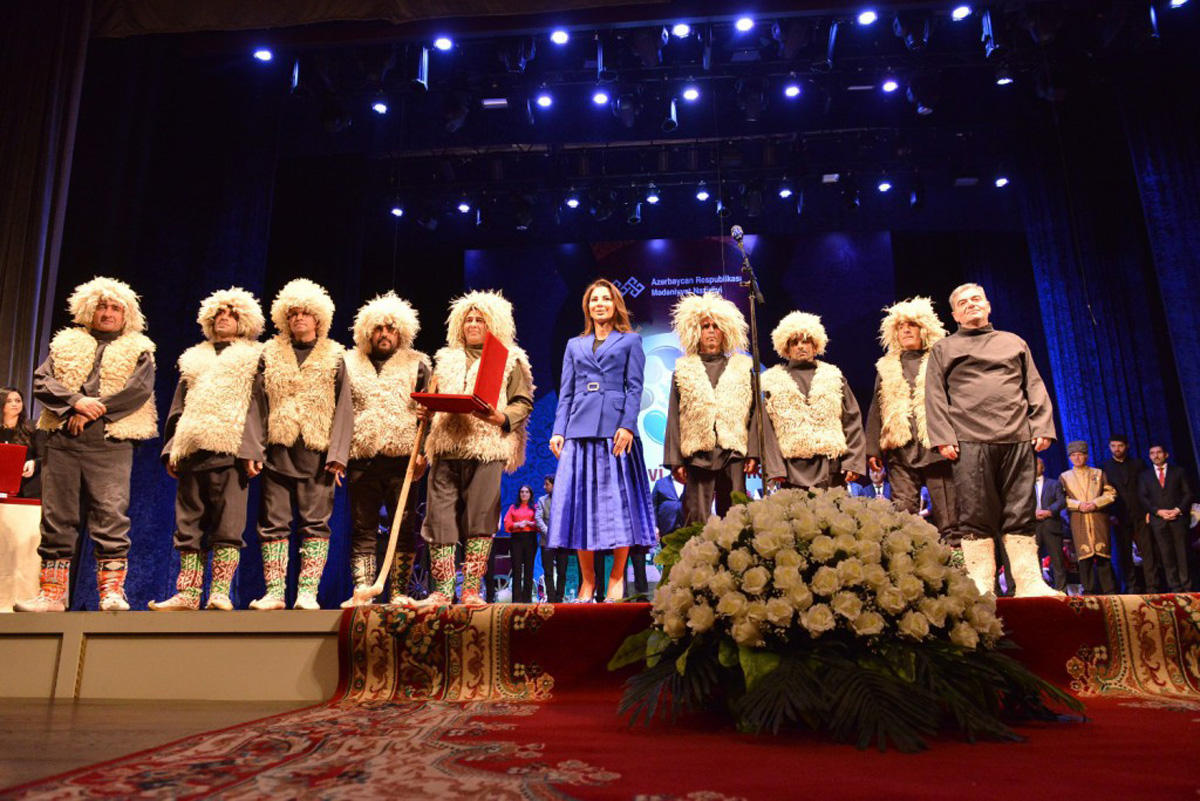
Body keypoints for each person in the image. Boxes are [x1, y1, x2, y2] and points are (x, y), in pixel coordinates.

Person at [17, 277, 157, 612]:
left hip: (109, 443)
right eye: (102, 307)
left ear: (126, 314)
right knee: (57, 517)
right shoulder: (66, 343)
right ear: (88, 310)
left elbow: (138, 391)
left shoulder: (139, 349)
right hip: (62, 441)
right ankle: (52, 595)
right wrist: (76, 403)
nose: (107, 313)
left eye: (115, 308)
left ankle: (111, 593)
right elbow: (42, 381)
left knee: (110, 515)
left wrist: (95, 410)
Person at [925, 282, 1059, 598]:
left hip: (1016, 437)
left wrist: (1041, 426)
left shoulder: (1014, 342)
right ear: (955, 314)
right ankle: (981, 584)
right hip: (969, 440)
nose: (971, 304)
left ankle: (1029, 581)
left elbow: (1034, 386)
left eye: (977, 299)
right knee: (974, 512)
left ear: (988, 306)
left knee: (1020, 509)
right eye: (963, 302)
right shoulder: (944, 348)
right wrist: (943, 436)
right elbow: (933, 396)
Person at [150, 288, 265, 611]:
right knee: (188, 524)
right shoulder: (194, 357)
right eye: (217, 315)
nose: (223, 319)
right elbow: (178, 405)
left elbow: (259, 407)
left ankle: (219, 592)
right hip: (192, 449)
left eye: (230, 314)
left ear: (244, 320)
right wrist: (171, 447)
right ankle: (188, 593)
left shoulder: (252, 357)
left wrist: (252, 448)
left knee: (228, 526)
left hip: (229, 451)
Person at [419, 290, 534, 605]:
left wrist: (501, 417)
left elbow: (523, 402)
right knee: (439, 518)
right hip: (446, 446)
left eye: (479, 319)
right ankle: (442, 590)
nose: (472, 324)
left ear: (493, 324)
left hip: (487, 447)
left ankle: (471, 589)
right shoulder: (445, 359)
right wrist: (425, 410)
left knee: (481, 518)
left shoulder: (510, 360)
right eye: (468, 319)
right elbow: (433, 398)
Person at [245, 278, 353, 610]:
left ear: (318, 318)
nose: (299, 319)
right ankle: (275, 592)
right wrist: (253, 448)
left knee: (316, 522)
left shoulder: (335, 354)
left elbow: (345, 407)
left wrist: (338, 454)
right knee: (273, 522)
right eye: (293, 314)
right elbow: (256, 403)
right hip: (278, 450)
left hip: (317, 454)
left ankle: (307, 592)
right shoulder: (270, 352)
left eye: (306, 313)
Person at [548, 279, 656, 603]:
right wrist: (558, 429)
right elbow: (566, 392)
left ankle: (617, 576)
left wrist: (627, 425)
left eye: (605, 299)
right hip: (579, 430)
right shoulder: (573, 345)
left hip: (615, 433)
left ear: (615, 304)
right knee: (581, 508)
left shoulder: (630, 341)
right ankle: (587, 581)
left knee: (619, 505)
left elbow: (635, 387)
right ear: (587, 307)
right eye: (594, 299)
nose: (599, 304)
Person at [340, 292, 430, 607]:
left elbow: (428, 414)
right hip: (361, 456)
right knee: (362, 527)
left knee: (404, 527)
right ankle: (363, 590)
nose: (385, 335)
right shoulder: (350, 363)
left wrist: (424, 453)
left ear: (401, 332)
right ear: (368, 331)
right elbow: (339, 412)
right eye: (379, 329)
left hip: (402, 458)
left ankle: (399, 592)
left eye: (391, 329)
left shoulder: (418, 364)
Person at [864, 297, 957, 545]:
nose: (906, 330)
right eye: (901, 326)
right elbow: (877, 406)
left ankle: (960, 570)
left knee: (950, 516)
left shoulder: (939, 359)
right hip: (901, 451)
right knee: (903, 514)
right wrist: (872, 448)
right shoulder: (887, 366)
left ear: (925, 328)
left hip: (937, 448)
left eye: (912, 325)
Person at [662, 291, 760, 526]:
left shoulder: (742, 368)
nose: (711, 331)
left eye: (716, 326)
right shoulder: (684, 370)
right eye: (705, 326)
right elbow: (674, 417)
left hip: (733, 453)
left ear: (726, 331)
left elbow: (756, 413)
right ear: (696, 331)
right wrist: (675, 460)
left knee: (735, 519)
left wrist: (754, 452)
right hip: (698, 455)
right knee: (695, 519)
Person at [761, 311, 866, 490]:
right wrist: (775, 467)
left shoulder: (833, 376)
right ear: (786, 348)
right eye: (795, 342)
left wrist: (853, 461)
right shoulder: (772, 381)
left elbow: (852, 420)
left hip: (831, 468)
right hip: (790, 470)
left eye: (806, 341)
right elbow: (766, 429)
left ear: (815, 344)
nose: (801, 346)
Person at [1060, 441, 1118, 594]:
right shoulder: (1065, 477)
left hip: (1098, 518)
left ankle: (1109, 590)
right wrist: (1078, 505)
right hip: (1078, 519)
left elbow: (1110, 493)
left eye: (1080, 455)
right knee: (1084, 557)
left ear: (1086, 456)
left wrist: (1095, 503)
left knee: (1103, 556)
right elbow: (1061, 499)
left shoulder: (1098, 473)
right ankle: (1089, 590)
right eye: (1073, 455)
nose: (1077, 458)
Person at [1101, 434, 1156, 593]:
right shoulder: (1105, 467)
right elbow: (1103, 492)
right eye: (1113, 446)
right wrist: (1110, 514)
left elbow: (1147, 488)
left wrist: (1148, 511)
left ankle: (1152, 586)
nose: (1117, 449)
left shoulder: (1138, 464)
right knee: (1124, 553)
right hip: (1119, 516)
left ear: (1127, 446)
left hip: (1140, 513)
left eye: (1120, 446)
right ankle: (1131, 586)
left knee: (1148, 551)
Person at [1138, 444, 1194, 593]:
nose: (1156, 455)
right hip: (1159, 520)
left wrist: (1177, 510)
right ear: (1149, 456)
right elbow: (1143, 498)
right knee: (1166, 554)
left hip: (1178, 518)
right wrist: (1158, 511)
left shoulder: (1179, 472)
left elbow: (1188, 493)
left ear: (1166, 455)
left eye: (1159, 452)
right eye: (1152, 453)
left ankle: (1187, 586)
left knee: (1182, 553)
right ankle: (1174, 587)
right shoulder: (1145, 475)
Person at [1, 387, 46, 498]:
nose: (14, 404)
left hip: (28, 488)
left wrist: (34, 464)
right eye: (9, 401)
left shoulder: (34, 428)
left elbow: (45, 456)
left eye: (18, 400)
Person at [1033, 457, 1069, 591]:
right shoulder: (1024, 485)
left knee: (1057, 560)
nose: (1034, 466)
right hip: (1033, 527)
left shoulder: (1054, 483)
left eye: (1037, 464)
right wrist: (1032, 513)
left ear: (1043, 468)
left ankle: (1061, 590)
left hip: (1051, 525)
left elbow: (1061, 501)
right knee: (1034, 560)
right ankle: (1037, 589)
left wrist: (1049, 511)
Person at [535, 474, 568, 602]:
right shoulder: (542, 500)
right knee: (548, 572)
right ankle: (552, 597)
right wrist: (550, 533)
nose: (544, 487)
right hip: (546, 541)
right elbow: (538, 518)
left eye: (547, 484)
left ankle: (559, 597)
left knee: (562, 571)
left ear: (554, 485)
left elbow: (567, 518)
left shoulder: (565, 499)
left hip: (562, 541)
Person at [503, 485, 538, 603]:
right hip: (516, 539)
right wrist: (517, 525)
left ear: (530, 494)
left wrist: (530, 523)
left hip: (530, 538)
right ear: (519, 494)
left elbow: (539, 522)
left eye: (526, 492)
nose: (524, 494)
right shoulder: (513, 507)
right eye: (522, 492)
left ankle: (527, 598)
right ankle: (516, 599)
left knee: (529, 569)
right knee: (516, 569)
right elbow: (507, 523)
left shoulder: (535, 508)